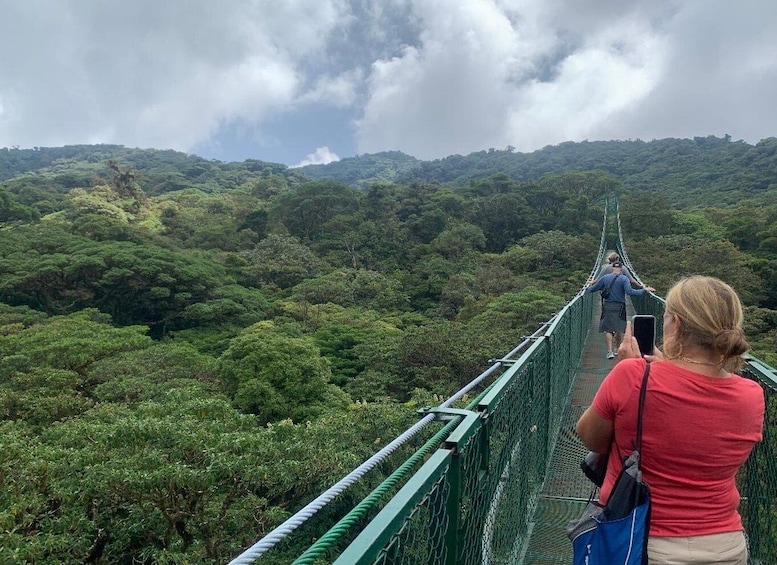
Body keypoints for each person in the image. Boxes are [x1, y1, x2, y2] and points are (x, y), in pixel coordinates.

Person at [576, 276, 765, 565]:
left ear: (675, 323)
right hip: (726, 547)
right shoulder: (751, 395)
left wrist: (631, 367)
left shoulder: (633, 375)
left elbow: (591, 438)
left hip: (642, 543)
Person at [586, 262, 655, 359]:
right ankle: (618, 349)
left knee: (608, 329)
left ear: (612, 269)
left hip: (608, 305)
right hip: (620, 306)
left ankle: (609, 351)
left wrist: (587, 287)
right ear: (621, 269)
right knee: (618, 328)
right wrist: (644, 290)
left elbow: (593, 289)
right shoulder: (624, 279)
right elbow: (630, 292)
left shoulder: (605, 278)